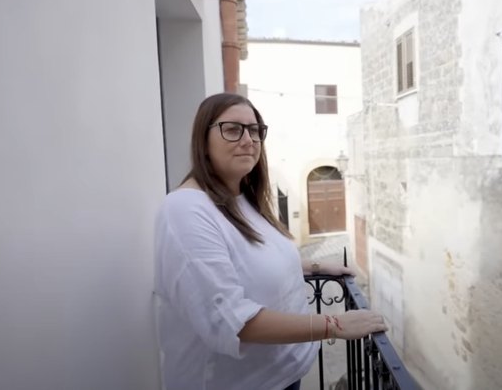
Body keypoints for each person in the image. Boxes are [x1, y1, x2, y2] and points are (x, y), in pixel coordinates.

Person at [153, 93, 388, 390]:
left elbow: (248, 260)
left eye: (254, 130)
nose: (248, 140)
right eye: (232, 129)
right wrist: (335, 325)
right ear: (203, 138)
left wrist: (314, 265)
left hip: (283, 376)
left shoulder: (242, 199)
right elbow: (231, 321)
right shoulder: (185, 210)